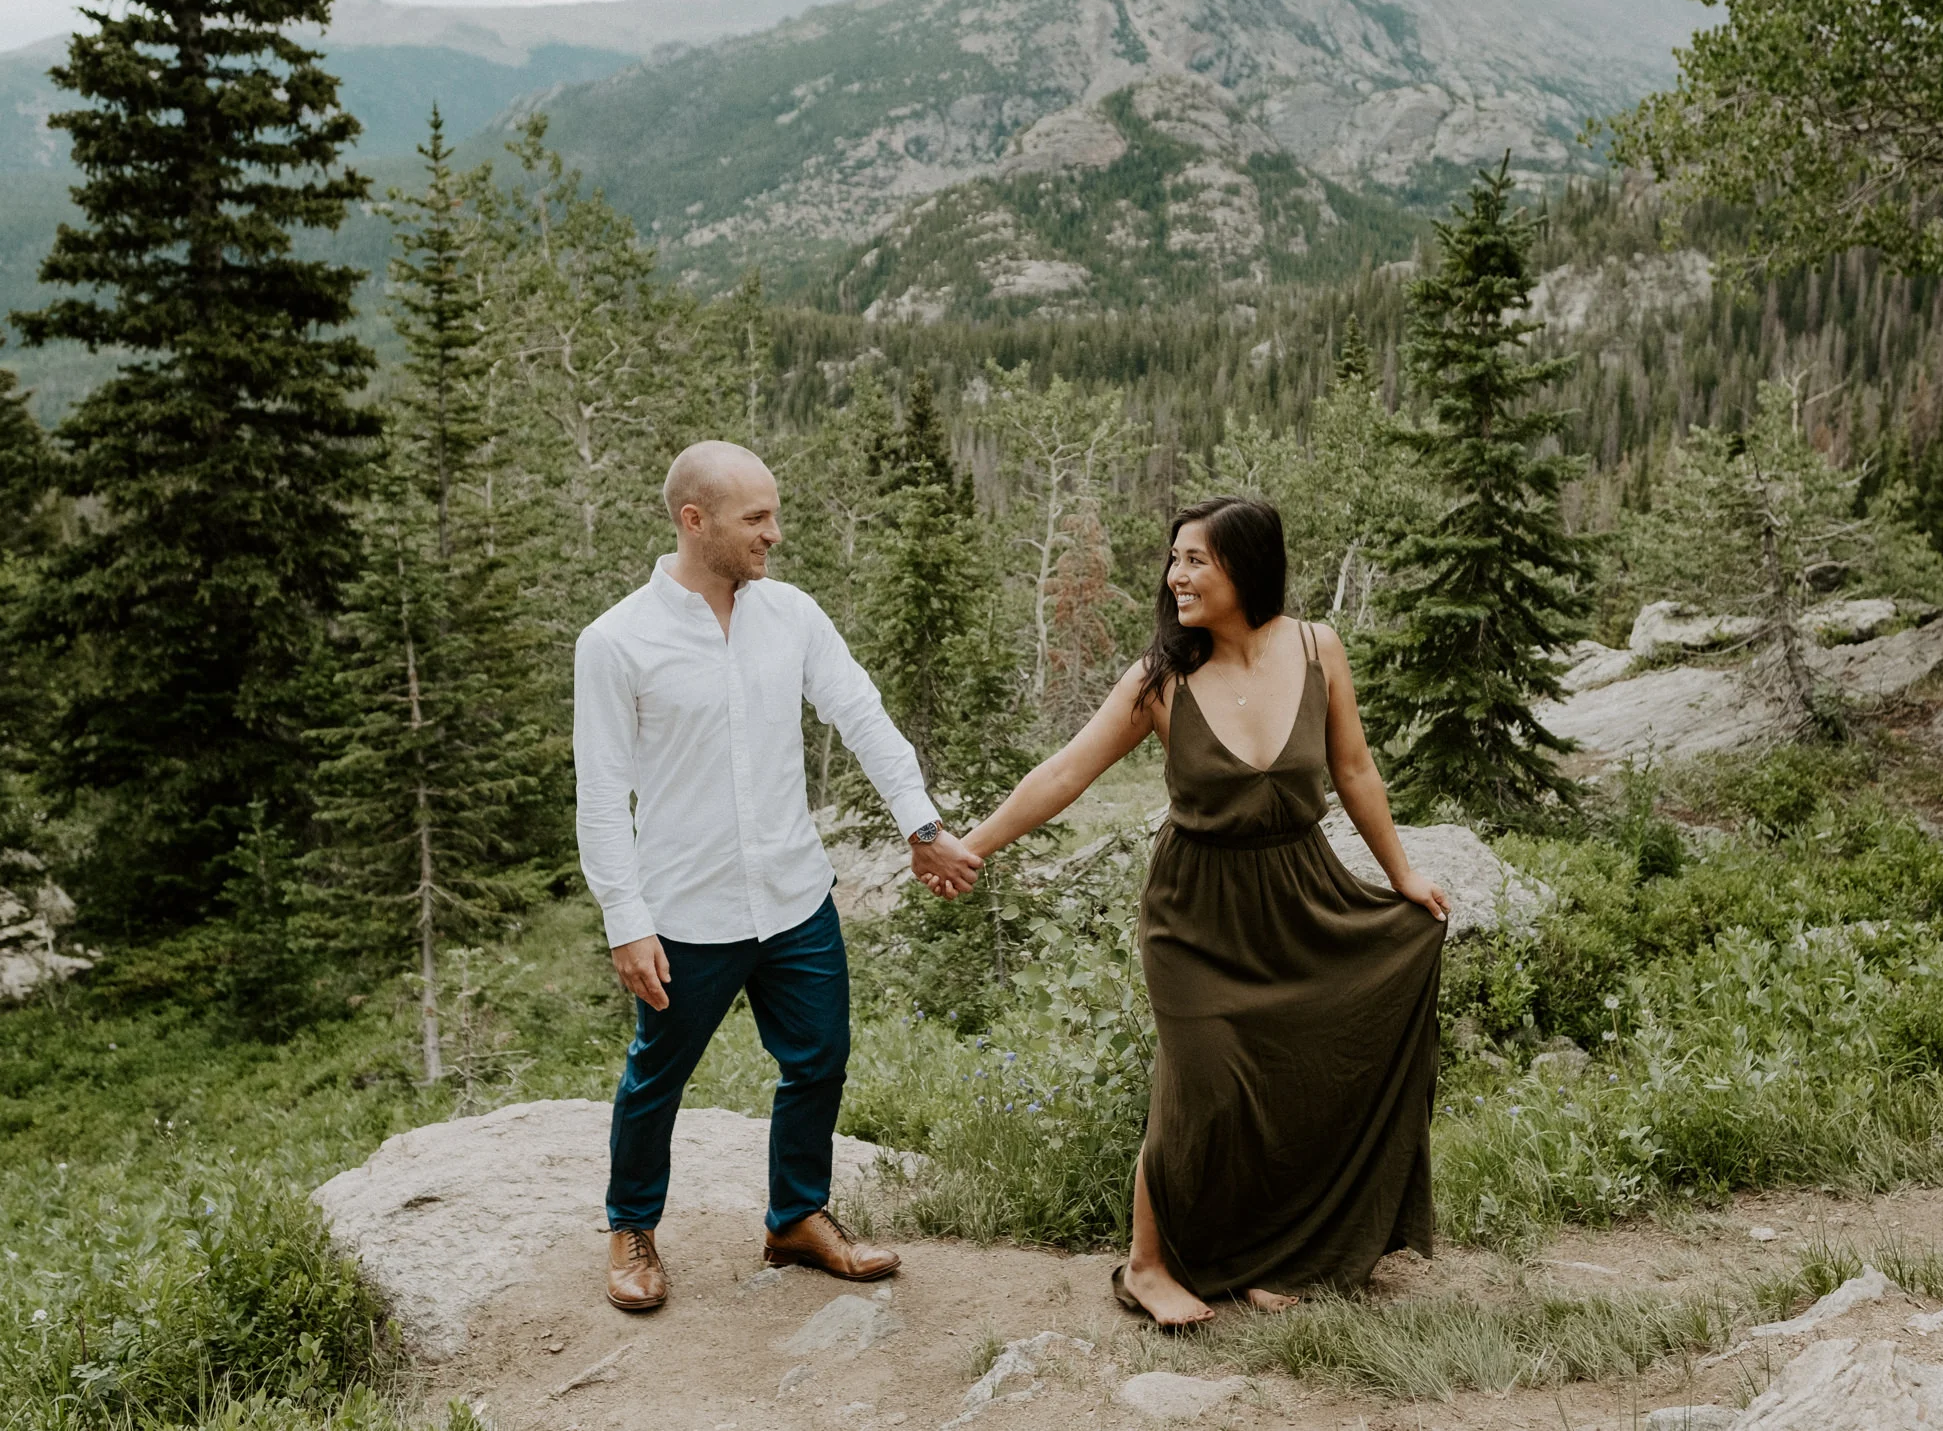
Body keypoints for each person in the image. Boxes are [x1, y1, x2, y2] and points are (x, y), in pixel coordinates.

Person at [959, 496, 1450, 1327]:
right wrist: (971, 845)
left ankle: (1266, 1254)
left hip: (1302, 895)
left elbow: (1356, 770)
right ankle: (1148, 1265)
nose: (1175, 576)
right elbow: (1063, 773)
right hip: (1195, 910)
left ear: (1246, 568)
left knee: (1292, 1078)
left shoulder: (1317, 647)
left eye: (1196, 560)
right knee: (1204, 1082)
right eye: (1174, 559)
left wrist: (1402, 876)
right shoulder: (1159, 679)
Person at [573, 440, 985, 1312]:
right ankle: (631, 1227)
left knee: (820, 1058)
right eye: (756, 518)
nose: (775, 533)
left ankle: (796, 1216)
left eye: (774, 513)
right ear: (696, 521)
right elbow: (603, 794)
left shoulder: (791, 614)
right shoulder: (615, 642)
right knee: (659, 1076)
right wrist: (624, 918)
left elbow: (862, 715)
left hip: (795, 897)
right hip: (685, 908)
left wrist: (921, 825)